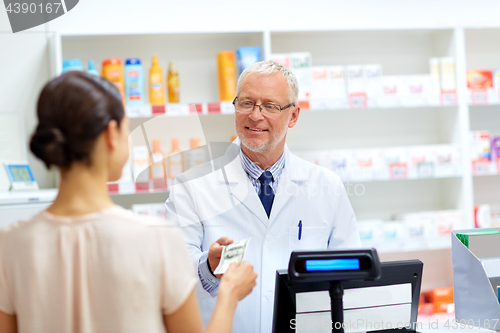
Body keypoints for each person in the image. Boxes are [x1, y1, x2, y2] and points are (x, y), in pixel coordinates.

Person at [0, 72, 257, 333]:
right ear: (112, 133)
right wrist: (229, 295)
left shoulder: (9, 244)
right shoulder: (156, 239)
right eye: (127, 127)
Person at [165, 60, 361, 333]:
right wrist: (208, 268)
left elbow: (352, 276)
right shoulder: (191, 186)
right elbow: (172, 276)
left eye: (270, 106)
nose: (255, 116)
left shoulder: (328, 187)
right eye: (246, 103)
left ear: (293, 116)